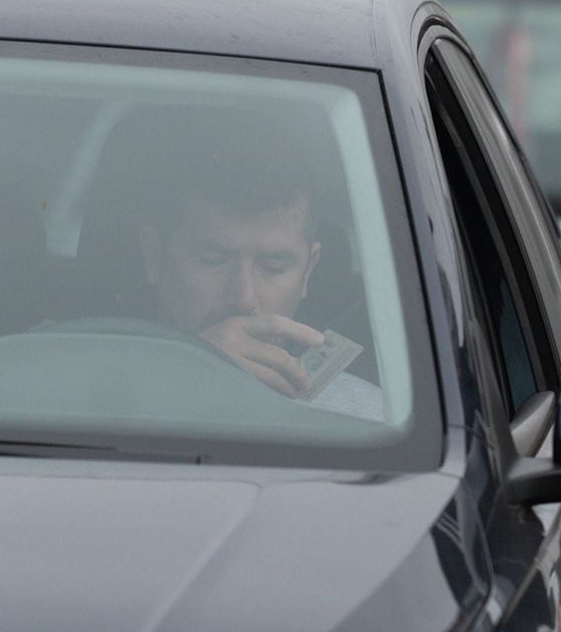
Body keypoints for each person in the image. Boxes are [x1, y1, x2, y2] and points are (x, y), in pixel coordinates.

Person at [137, 118, 384, 420]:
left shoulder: (369, 422)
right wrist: (183, 374)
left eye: (273, 267)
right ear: (154, 255)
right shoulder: (75, 393)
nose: (242, 298)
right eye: (212, 260)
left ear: (308, 270)